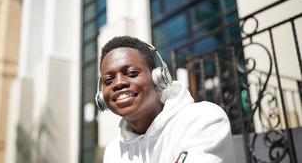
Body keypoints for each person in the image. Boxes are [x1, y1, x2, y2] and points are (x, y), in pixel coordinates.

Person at [96, 36, 235, 163]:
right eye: (108, 80)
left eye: (131, 73)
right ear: (101, 97)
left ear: (158, 78)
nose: (118, 83)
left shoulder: (203, 119)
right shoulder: (113, 152)